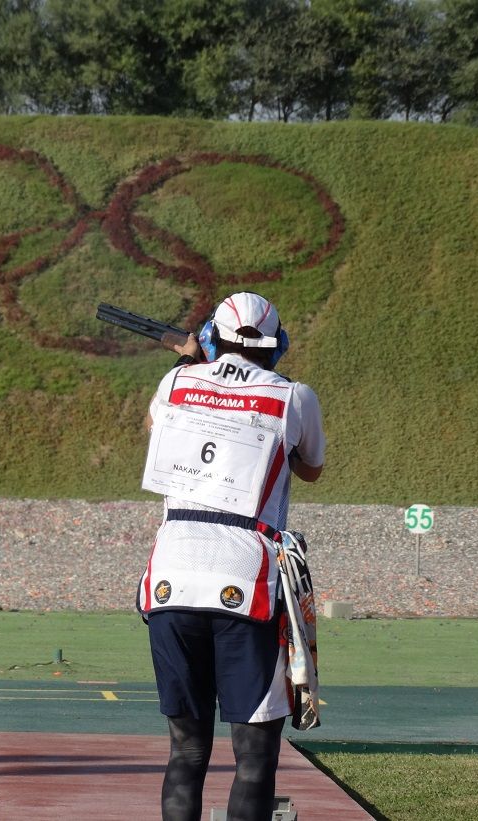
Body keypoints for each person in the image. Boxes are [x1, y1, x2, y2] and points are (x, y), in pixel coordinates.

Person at [139, 291, 325, 821]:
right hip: (248, 579)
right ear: (276, 345)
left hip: (170, 574)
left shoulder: (176, 381)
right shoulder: (294, 395)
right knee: (254, 759)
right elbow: (310, 468)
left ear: (210, 337)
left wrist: (193, 362)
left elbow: (154, 429)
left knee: (187, 751)